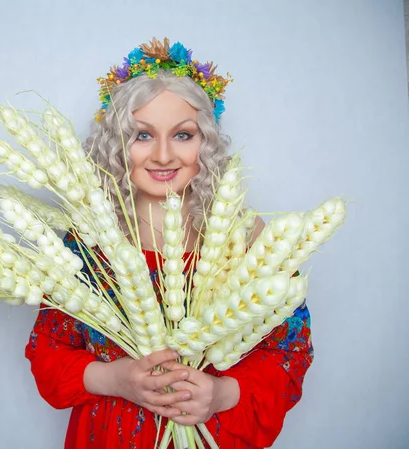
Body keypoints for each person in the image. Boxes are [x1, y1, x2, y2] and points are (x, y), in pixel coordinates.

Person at [25, 38, 313, 449]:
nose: (163, 155)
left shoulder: (247, 239)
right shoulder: (88, 240)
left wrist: (220, 395)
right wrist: (115, 379)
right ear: (117, 145)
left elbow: (290, 351)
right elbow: (47, 351)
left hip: (211, 432)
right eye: (142, 135)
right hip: (111, 434)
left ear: (206, 143)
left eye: (182, 134)